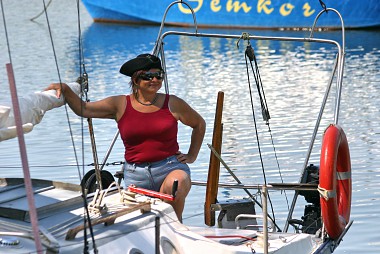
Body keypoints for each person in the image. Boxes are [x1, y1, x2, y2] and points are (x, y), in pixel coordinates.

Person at [45, 53, 206, 221]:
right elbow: (83, 109)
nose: (155, 79)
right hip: (136, 174)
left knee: (176, 190)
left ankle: (177, 229)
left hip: (169, 167)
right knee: (140, 223)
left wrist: (191, 155)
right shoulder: (120, 104)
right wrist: (65, 88)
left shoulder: (173, 103)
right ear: (136, 80)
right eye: (148, 76)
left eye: (159, 75)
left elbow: (199, 124)